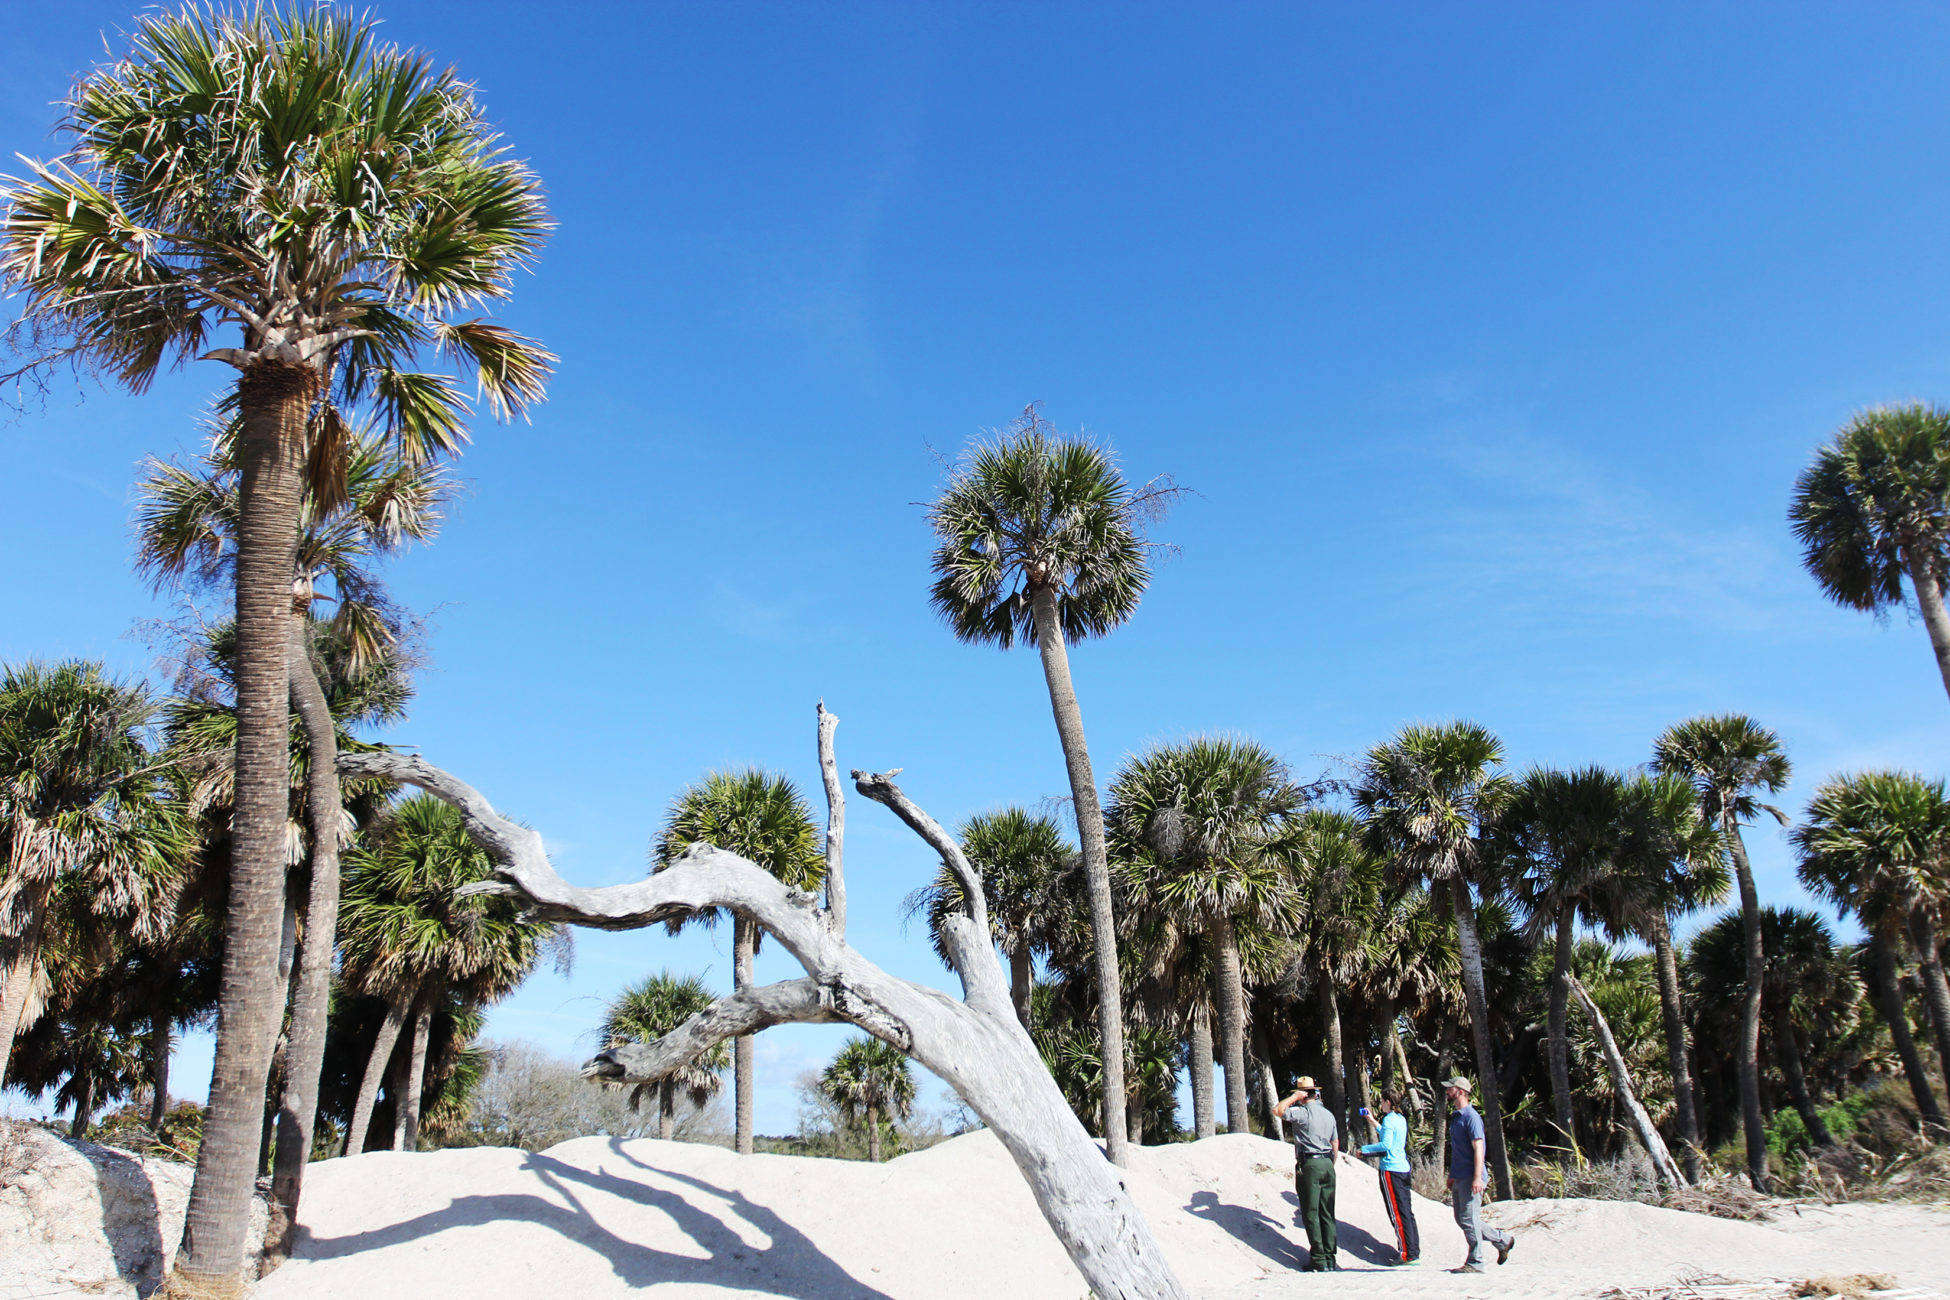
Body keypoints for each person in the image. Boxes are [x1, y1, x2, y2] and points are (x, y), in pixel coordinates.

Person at [1442, 1076, 1516, 1274]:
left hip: (1471, 1177)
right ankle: (1502, 1240)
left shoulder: (1471, 1117)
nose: (1448, 1091)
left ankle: (1476, 1261)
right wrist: (1451, 1175)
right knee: (1463, 1219)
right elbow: (1458, 1150)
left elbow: (1478, 1148)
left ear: (1462, 1092)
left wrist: (1477, 1177)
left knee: (1469, 1219)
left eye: (1452, 1088)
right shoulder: (1457, 1116)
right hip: (1459, 1176)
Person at [1273, 1075, 1339, 1272]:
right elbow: (1335, 1144)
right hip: (1327, 1163)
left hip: (1309, 1164)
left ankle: (1318, 1259)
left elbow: (1277, 1110)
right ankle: (1330, 1258)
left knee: (1311, 1213)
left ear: (1303, 1095)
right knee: (1327, 1212)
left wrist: (1293, 1098)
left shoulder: (1302, 1113)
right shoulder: (1329, 1115)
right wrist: (1330, 1163)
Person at [1358, 1089, 1419, 1266]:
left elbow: (1386, 1145)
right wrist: (1371, 1120)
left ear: (1388, 1102)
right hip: (1403, 1169)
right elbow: (1387, 1133)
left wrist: (1365, 1150)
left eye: (1383, 1101)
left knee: (1397, 1213)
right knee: (1407, 1211)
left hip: (1391, 1170)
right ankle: (1413, 1251)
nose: (1381, 1104)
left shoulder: (1390, 1119)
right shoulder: (1399, 1119)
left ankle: (1407, 1254)